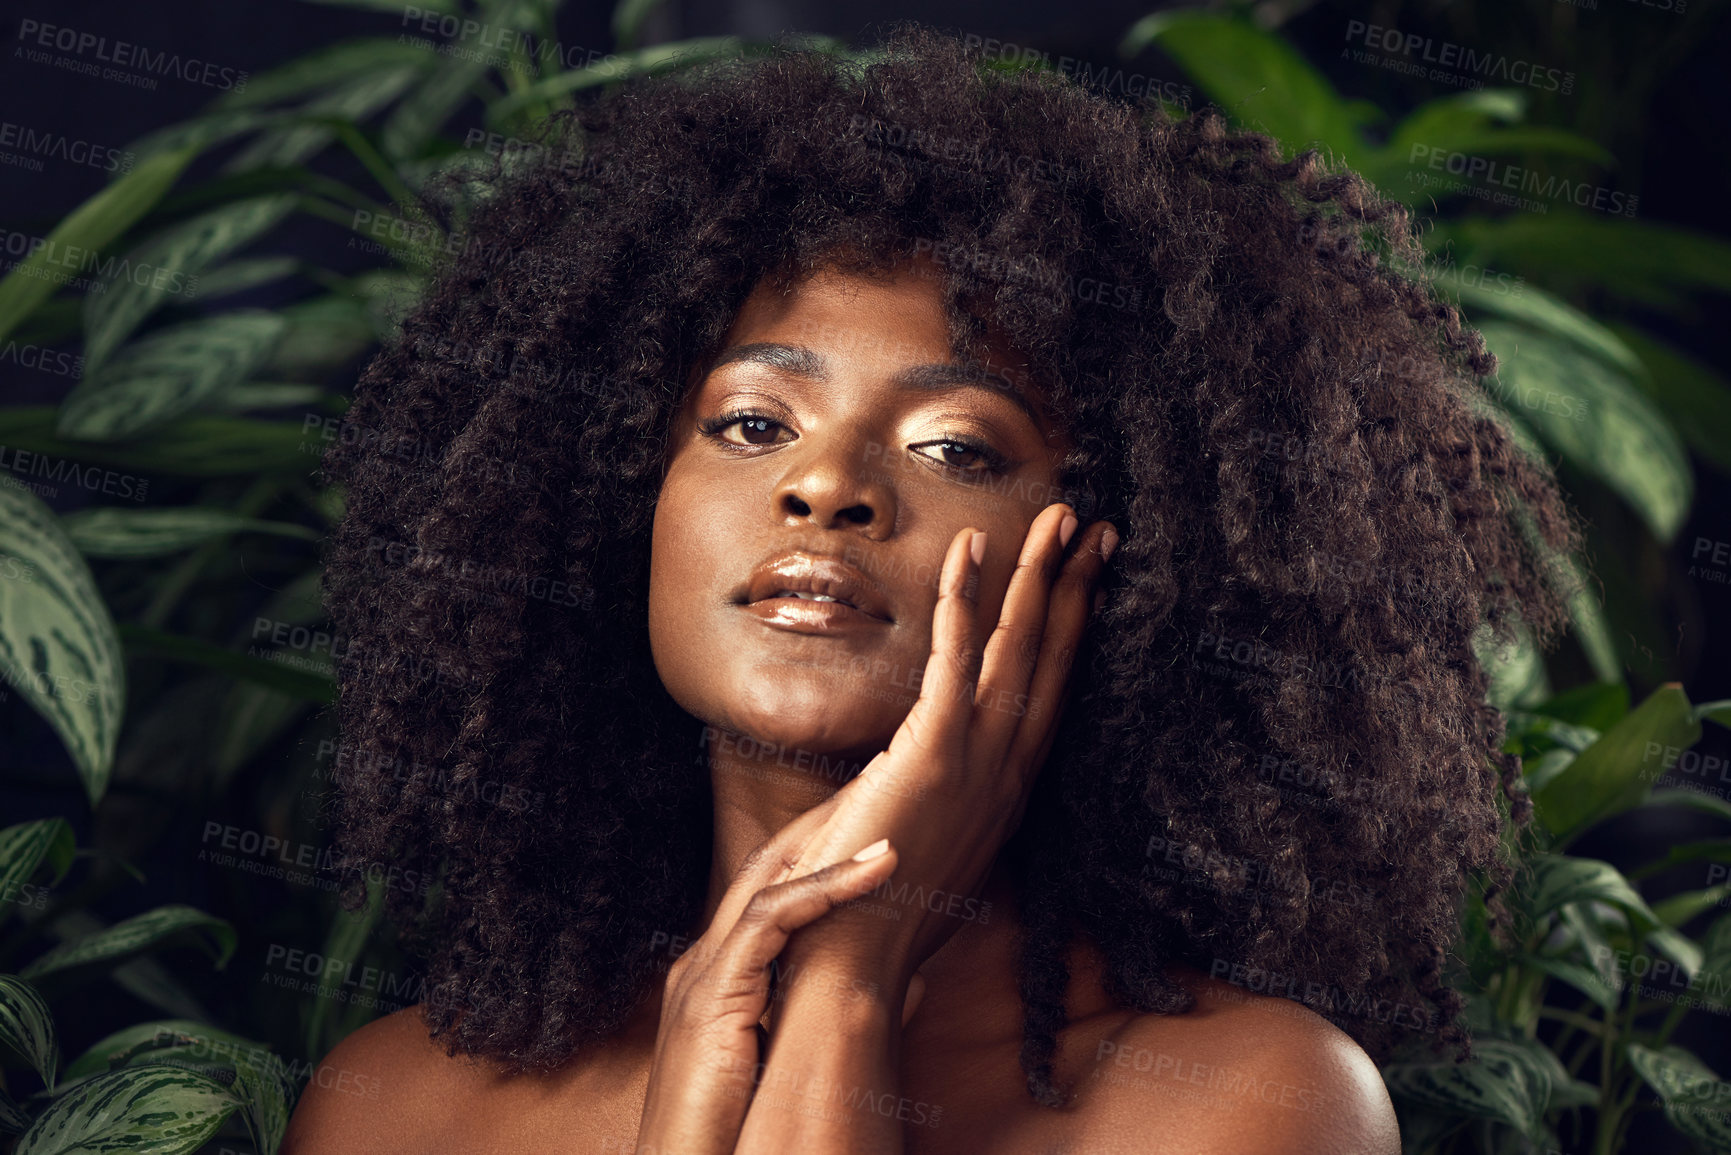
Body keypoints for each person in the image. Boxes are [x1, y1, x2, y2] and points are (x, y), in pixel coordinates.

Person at [280, 22, 1583, 1153]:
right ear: (624, 499)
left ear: (1107, 555)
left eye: (955, 448)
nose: (827, 486)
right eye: (751, 423)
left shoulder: (1250, 1104)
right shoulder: (400, 1109)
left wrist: (844, 989)